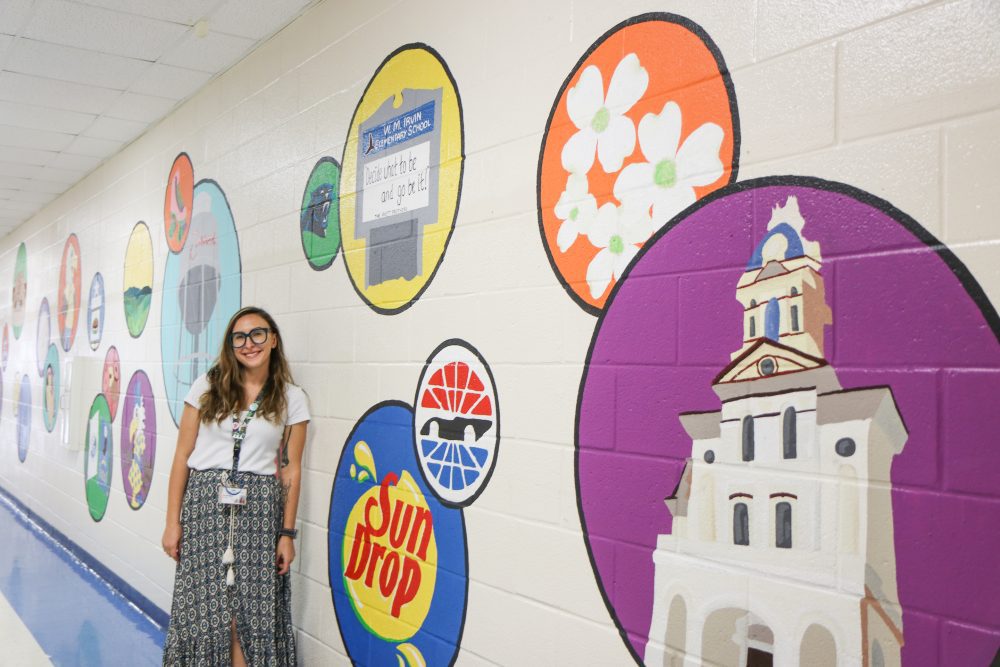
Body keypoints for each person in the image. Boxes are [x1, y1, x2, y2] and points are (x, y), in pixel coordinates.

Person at [161, 306, 309, 666]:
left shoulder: (292, 398)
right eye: (239, 337)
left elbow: (290, 471)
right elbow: (182, 455)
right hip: (204, 509)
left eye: (257, 334)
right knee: (205, 612)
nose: (249, 344)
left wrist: (286, 533)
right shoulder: (207, 386)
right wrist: (172, 521)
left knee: (249, 614)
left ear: (273, 340)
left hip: (259, 514)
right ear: (231, 345)